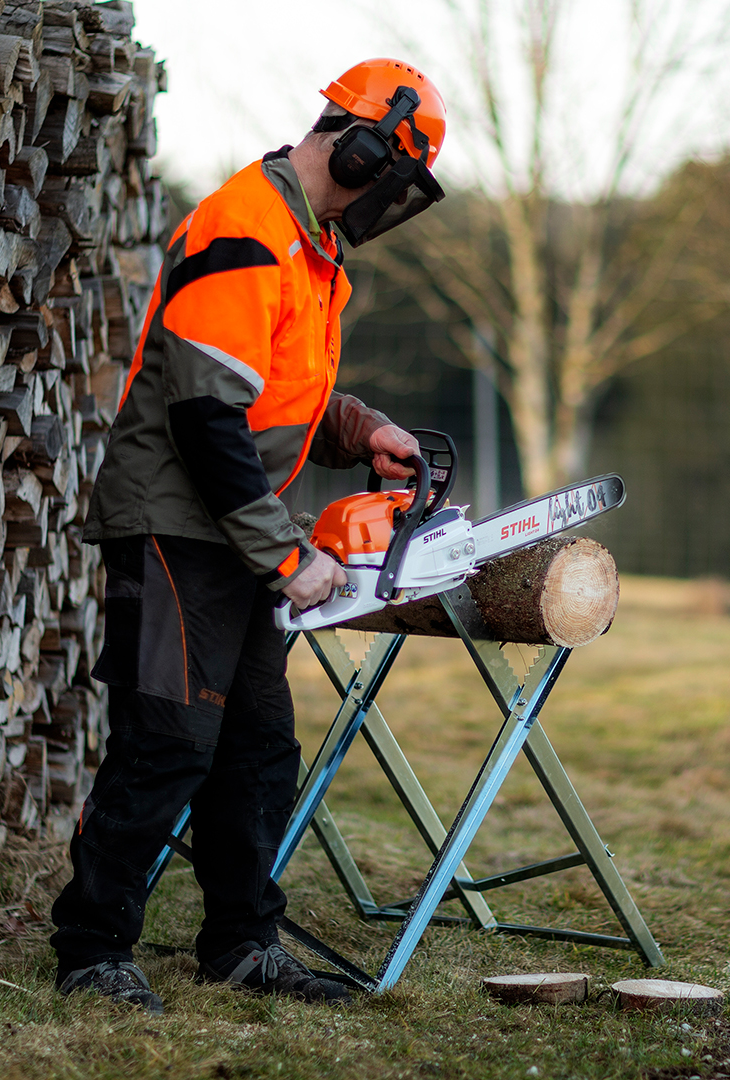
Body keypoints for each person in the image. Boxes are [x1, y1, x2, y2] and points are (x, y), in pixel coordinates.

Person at [48, 59, 449, 1013]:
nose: (387, 202)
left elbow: (278, 391)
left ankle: (241, 943)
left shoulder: (307, 248)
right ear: (360, 149)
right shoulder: (245, 227)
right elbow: (204, 419)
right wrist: (285, 554)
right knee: (169, 739)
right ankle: (91, 948)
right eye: (390, 178)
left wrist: (362, 433)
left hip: (234, 527)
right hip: (178, 522)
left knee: (258, 747)